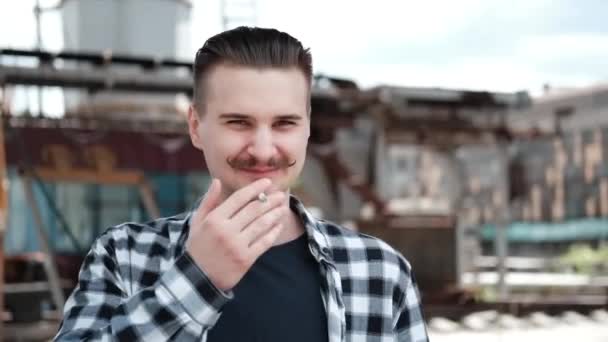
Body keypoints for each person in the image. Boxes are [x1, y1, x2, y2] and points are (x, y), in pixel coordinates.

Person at [54, 26, 429, 341]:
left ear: (307, 128)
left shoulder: (380, 271)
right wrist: (197, 279)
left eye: (285, 123)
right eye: (238, 122)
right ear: (196, 127)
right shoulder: (124, 255)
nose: (264, 150)